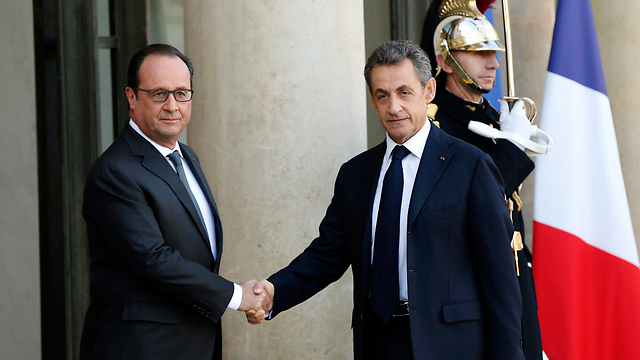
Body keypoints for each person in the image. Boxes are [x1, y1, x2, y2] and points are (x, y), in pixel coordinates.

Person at [250, 40, 524, 360]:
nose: (394, 107)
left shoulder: (471, 166)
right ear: (373, 100)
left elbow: (500, 280)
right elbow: (327, 255)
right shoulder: (355, 174)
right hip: (378, 342)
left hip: (452, 345)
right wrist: (274, 292)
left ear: (429, 91)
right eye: (383, 95)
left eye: (404, 92)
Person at [79, 44, 271, 360]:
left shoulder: (187, 157)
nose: (172, 106)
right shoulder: (115, 172)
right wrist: (237, 296)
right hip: (141, 348)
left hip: (192, 343)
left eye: (182, 93)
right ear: (131, 96)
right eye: (158, 94)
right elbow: (155, 259)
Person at [419, 1, 543, 359]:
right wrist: (514, 147)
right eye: (478, 52)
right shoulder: (437, 126)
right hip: (470, 290)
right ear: (444, 61)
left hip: (514, 279)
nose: (493, 63)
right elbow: (471, 197)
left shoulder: (493, 118)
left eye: (493, 52)